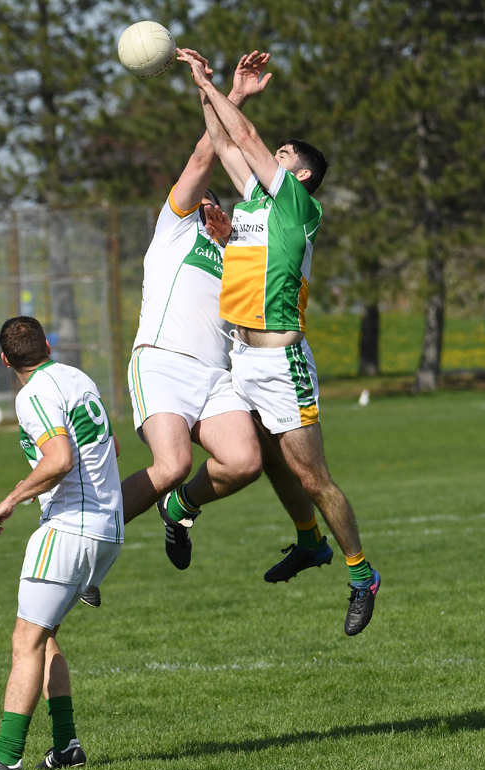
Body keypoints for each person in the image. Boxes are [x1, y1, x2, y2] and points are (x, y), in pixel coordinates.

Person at [177, 47, 380, 635]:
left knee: (313, 477)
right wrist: (222, 91)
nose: (272, 156)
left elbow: (243, 134)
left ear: (302, 174)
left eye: (283, 155)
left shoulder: (298, 204)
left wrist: (209, 87)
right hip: (240, 356)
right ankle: (308, 541)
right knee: (265, 458)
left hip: (280, 361)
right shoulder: (257, 202)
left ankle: (361, 573)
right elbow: (222, 141)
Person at [119, 51, 335, 602]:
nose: (209, 203)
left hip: (221, 376)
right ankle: (88, 541)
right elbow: (208, 154)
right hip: (164, 360)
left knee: (246, 461)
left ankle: (185, 509)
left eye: (217, 202)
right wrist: (225, 94)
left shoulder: (246, 242)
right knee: (171, 464)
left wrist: (230, 236)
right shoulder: (172, 229)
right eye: (202, 200)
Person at [0, 317, 122, 770]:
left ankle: (4, 757)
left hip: (69, 528)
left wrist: (10, 499)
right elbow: (110, 447)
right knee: (45, 636)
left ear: (5, 361)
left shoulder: (33, 394)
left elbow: (59, 458)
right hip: (108, 529)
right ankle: (66, 747)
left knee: (25, 641)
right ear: (47, 344)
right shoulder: (77, 378)